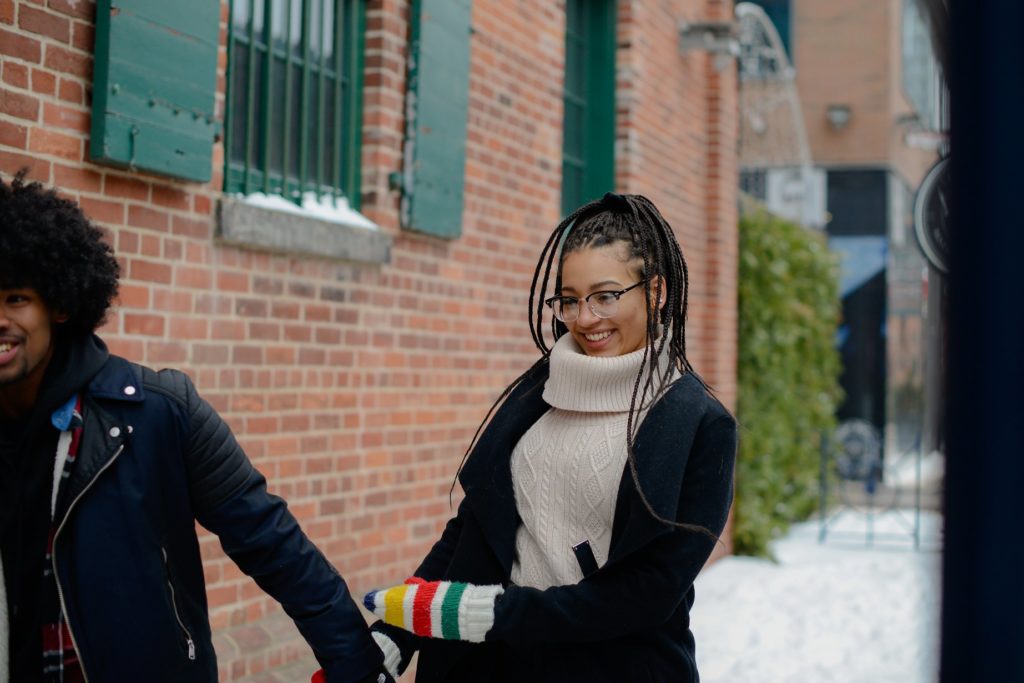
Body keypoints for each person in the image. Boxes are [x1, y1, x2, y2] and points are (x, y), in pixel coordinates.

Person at [0, 172, 392, 683]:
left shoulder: (159, 411)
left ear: (60, 304)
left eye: (15, 298)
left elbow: (271, 541)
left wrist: (358, 665)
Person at [355, 193, 739, 682]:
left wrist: (493, 613)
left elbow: (650, 591)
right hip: (484, 667)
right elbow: (474, 530)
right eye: (570, 300)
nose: (584, 319)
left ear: (657, 292)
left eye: (605, 296)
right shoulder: (538, 392)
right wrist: (398, 632)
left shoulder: (699, 426)